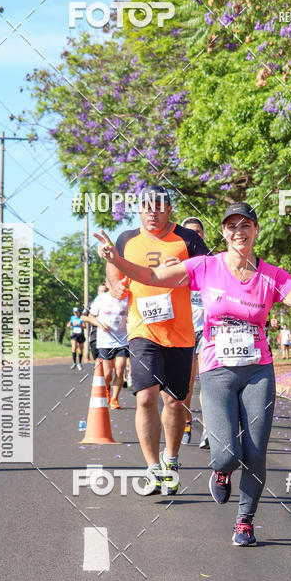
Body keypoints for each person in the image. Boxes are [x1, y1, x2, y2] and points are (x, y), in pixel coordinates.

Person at [95, 201, 291, 546]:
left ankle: (245, 520)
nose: (239, 232)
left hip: (258, 371)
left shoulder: (272, 276)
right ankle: (220, 470)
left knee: (256, 451)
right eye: (232, 227)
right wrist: (116, 261)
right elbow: (154, 277)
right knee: (226, 453)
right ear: (223, 233)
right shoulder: (206, 266)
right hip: (217, 370)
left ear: (256, 230)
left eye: (245, 225)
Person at [103, 186, 209, 494]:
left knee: (174, 402)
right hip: (142, 330)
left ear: (169, 209)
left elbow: (209, 274)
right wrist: (114, 284)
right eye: (147, 207)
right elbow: (114, 266)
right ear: (139, 210)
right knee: (145, 397)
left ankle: (171, 460)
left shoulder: (188, 239)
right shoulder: (126, 239)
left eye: (159, 206)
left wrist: (175, 273)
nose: (153, 212)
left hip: (180, 332)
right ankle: (152, 469)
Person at [180, 216, 208, 447]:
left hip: (209, 333)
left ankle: (210, 430)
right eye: (188, 232)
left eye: (198, 232)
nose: (194, 236)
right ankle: (187, 420)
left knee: (210, 383)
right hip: (183, 332)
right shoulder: (175, 264)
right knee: (186, 385)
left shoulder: (211, 263)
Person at [86, 286, 130, 409]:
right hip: (105, 341)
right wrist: (100, 324)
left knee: (120, 370)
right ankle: (107, 390)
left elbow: (132, 315)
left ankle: (115, 399)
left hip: (122, 340)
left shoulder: (127, 297)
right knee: (107, 374)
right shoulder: (101, 298)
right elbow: (91, 316)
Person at [82, 282, 108, 364]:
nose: (103, 293)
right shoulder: (92, 303)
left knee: (108, 362)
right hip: (95, 337)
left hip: (109, 337)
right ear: (98, 292)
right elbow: (83, 317)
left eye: (105, 291)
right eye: (101, 291)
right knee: (99, 362)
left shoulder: (113, 302)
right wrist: (96, 320)